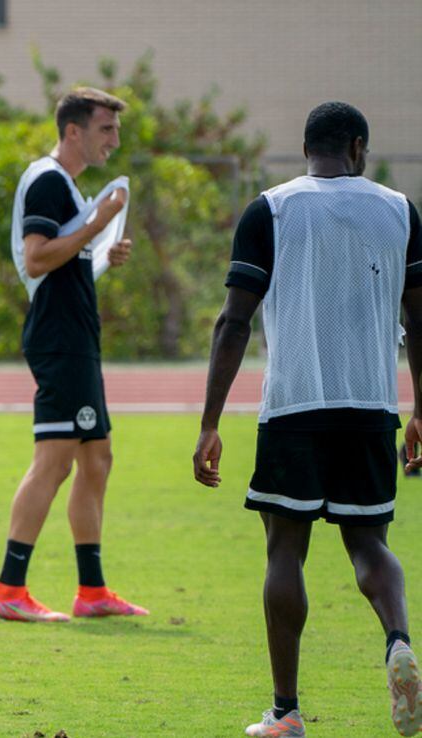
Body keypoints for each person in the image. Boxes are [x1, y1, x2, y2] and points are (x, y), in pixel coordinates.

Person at [193, 101, 422, 737]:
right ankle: (398, 640)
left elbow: (234, 319)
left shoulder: (271, 208)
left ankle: (286, 713)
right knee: (370, 544)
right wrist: (420, 409)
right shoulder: (400, 210)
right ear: (357, 147)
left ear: (308, 149)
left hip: (295, 405)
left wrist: (210, 422)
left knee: (285, 548)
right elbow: (420, 320)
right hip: (372, 406)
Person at [0, 87, 146, 624]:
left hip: (77, 335)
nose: (114, 140)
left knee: (97, 459)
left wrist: (99, 252)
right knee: (53, 463)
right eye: (106, 129)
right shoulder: (49, 179)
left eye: (116, 130)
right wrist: (98, 223)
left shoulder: (68, 188)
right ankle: (9, 588)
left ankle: (93, 591)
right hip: (59, 337)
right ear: (73, 130)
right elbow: (35, 260)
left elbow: (64, 252)